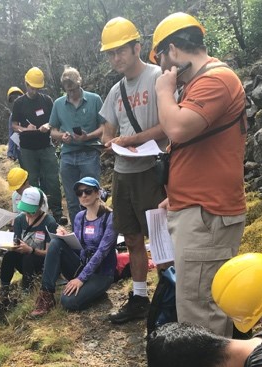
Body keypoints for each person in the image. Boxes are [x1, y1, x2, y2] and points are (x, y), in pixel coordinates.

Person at [151, 12, 247, 367]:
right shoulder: (204, 82)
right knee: (200, 301)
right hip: (196, 208)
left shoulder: (215, 80)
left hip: (207, 215)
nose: (165, 71)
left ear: (173, 50)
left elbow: (176, 129)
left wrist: (162, 90)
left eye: (163, 62)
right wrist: (176, 194)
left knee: (199, 308)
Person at [99, 17, 168, 324]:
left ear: (137, 47)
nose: (116, 58)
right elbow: (108, 130)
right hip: (123, 172)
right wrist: (110, 142)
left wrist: (134, 140)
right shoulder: (115, 91)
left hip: (152, 169)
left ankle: (170, 298)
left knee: (161, 238)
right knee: (132, 237)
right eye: (111, 53)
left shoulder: (158, 77)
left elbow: (171, 124)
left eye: (121, 51)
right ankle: (139, 297)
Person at [31, 177, 117, 316]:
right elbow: (79, 246)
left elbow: (102, 252)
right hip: (81, 265)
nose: (83, 195)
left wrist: (81, 279)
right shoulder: (79, 217)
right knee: (56, 243)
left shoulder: (110, 217)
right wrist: (66, 237)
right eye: (79, 193)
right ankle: (46, 294)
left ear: (97, 193)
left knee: (68, 301)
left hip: (101, 273)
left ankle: (95, 291)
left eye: (88, 191)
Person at [49, 66, 105, 225]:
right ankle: (78, 234)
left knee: (92, 196)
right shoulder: (58, 104)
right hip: (67, 155)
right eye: (68, 90)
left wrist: (88, 136)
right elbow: (52, 130)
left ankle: (97, 229)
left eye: (74, 89)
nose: (71, 93)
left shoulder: (94, 100)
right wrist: (62, 136)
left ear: (80, 83)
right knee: (73, 199)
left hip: (89, 152)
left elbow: (104, 127)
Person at [11, 67, 64, 223]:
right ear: (26, 83)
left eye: (36, 88)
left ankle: (58, 213)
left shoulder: (46, 100)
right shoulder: (19, 103)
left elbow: (55, 119)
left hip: (46, 145)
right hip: (28, 149)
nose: (33, 90)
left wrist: (48, 125)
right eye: (31, 87)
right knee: (32, 181)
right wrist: (25, 129)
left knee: (52, 179)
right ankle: (37, 215)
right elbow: (14, 125)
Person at [0, 186, 57, 299]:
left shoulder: (49, 222)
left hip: (41, 263)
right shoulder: (19, 220)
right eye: (25, 209)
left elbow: (50, 253)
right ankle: (3, 289)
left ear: (39, 206)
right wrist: (12, 246)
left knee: (28, 257)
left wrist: (31, 250)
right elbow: (17, 241)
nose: (28, 213)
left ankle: (26, 290)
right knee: (9, 255)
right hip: (24, 261)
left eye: (31, 210)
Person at [6, 86, 24, 164]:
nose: (16, 100)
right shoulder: (13, 116)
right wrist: (10, 152)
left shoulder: (31, 109)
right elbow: (12, 134)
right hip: (21, 148)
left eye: (17, 97)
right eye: (13, 98)